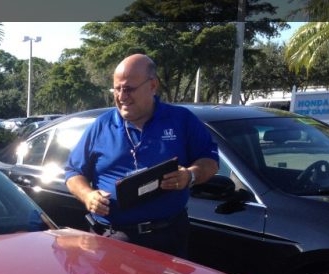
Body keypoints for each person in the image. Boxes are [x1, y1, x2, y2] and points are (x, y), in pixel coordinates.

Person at [65, 54, 219, 258]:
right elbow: (73, 172)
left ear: (152, 86)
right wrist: (87, 195)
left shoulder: (181, 120)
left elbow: (209, 160)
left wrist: (189, 175)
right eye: (117, 89)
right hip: (112, 239)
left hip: (168, 237)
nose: (121, 96)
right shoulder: (101, 126)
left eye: (128, 89)